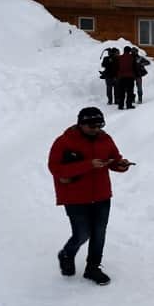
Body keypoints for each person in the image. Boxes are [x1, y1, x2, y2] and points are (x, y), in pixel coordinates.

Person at [48, 107, 132, 285]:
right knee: (83, 233)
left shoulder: (105, 139)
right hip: (75, 197)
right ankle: (67, 253)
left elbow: (114, 159)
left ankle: (93, 268)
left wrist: (121, 165)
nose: (96, 129)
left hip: (101, 195)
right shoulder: (64, 142)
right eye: (92, 126)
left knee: (99, 233)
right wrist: (87, 165)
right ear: (81, 124)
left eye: (100, 125)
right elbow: (55, 168)